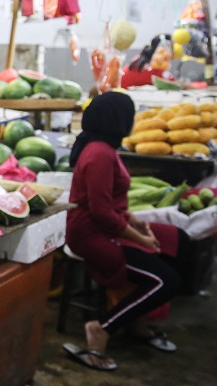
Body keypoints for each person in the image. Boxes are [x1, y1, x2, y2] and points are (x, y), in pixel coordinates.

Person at [62, 92, 188, 371]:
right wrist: (140, 237)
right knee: (164, 281)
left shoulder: (105, 148)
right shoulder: (100, 154)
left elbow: (110, 203)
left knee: (178, 241)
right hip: (91, 234)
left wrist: (134, 221)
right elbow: (100, 212)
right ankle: (101, 328)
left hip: (107, 225)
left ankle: (138, 321)